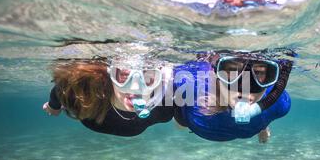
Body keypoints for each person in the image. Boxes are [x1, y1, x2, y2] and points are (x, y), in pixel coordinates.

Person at [173, 50, 293, 142]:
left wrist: (262, 126)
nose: (246, 88)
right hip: (191, 122)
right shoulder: (193, 84)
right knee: (181, 123)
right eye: (232, 71)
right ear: (216, 72)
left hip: (203, 128)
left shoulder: (279, 104)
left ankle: (263, 127)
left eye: (259, 73)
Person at [43, 56, 174, 136]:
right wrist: (53, 106)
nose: (135, 88)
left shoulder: (165, 109)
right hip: (90, 118)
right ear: (111, 75)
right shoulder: (91, 94)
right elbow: (61, 89)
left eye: (148, 77)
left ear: (158, 79)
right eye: (123, 76)